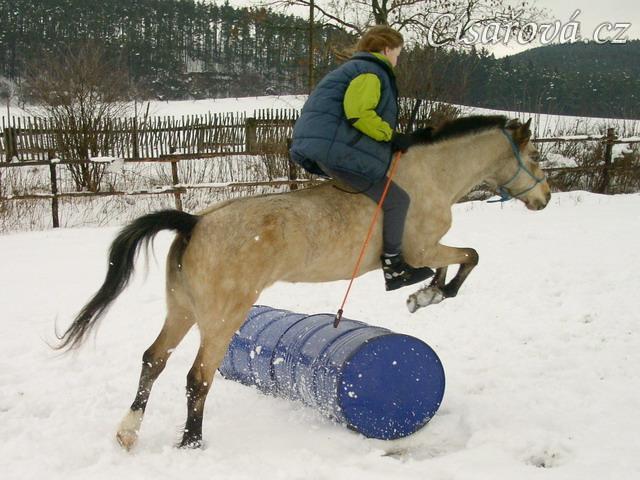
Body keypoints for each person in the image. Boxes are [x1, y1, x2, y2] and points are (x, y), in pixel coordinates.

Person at [289, 25, 434, 291]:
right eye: (398, 53)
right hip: (335, 150)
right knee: (397, 200)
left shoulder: (356, 68)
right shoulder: (371, 71)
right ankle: (394, 266)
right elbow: (358, 113)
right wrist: (390, 136)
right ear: (387, 49)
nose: (397, 59)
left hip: (325, 147)